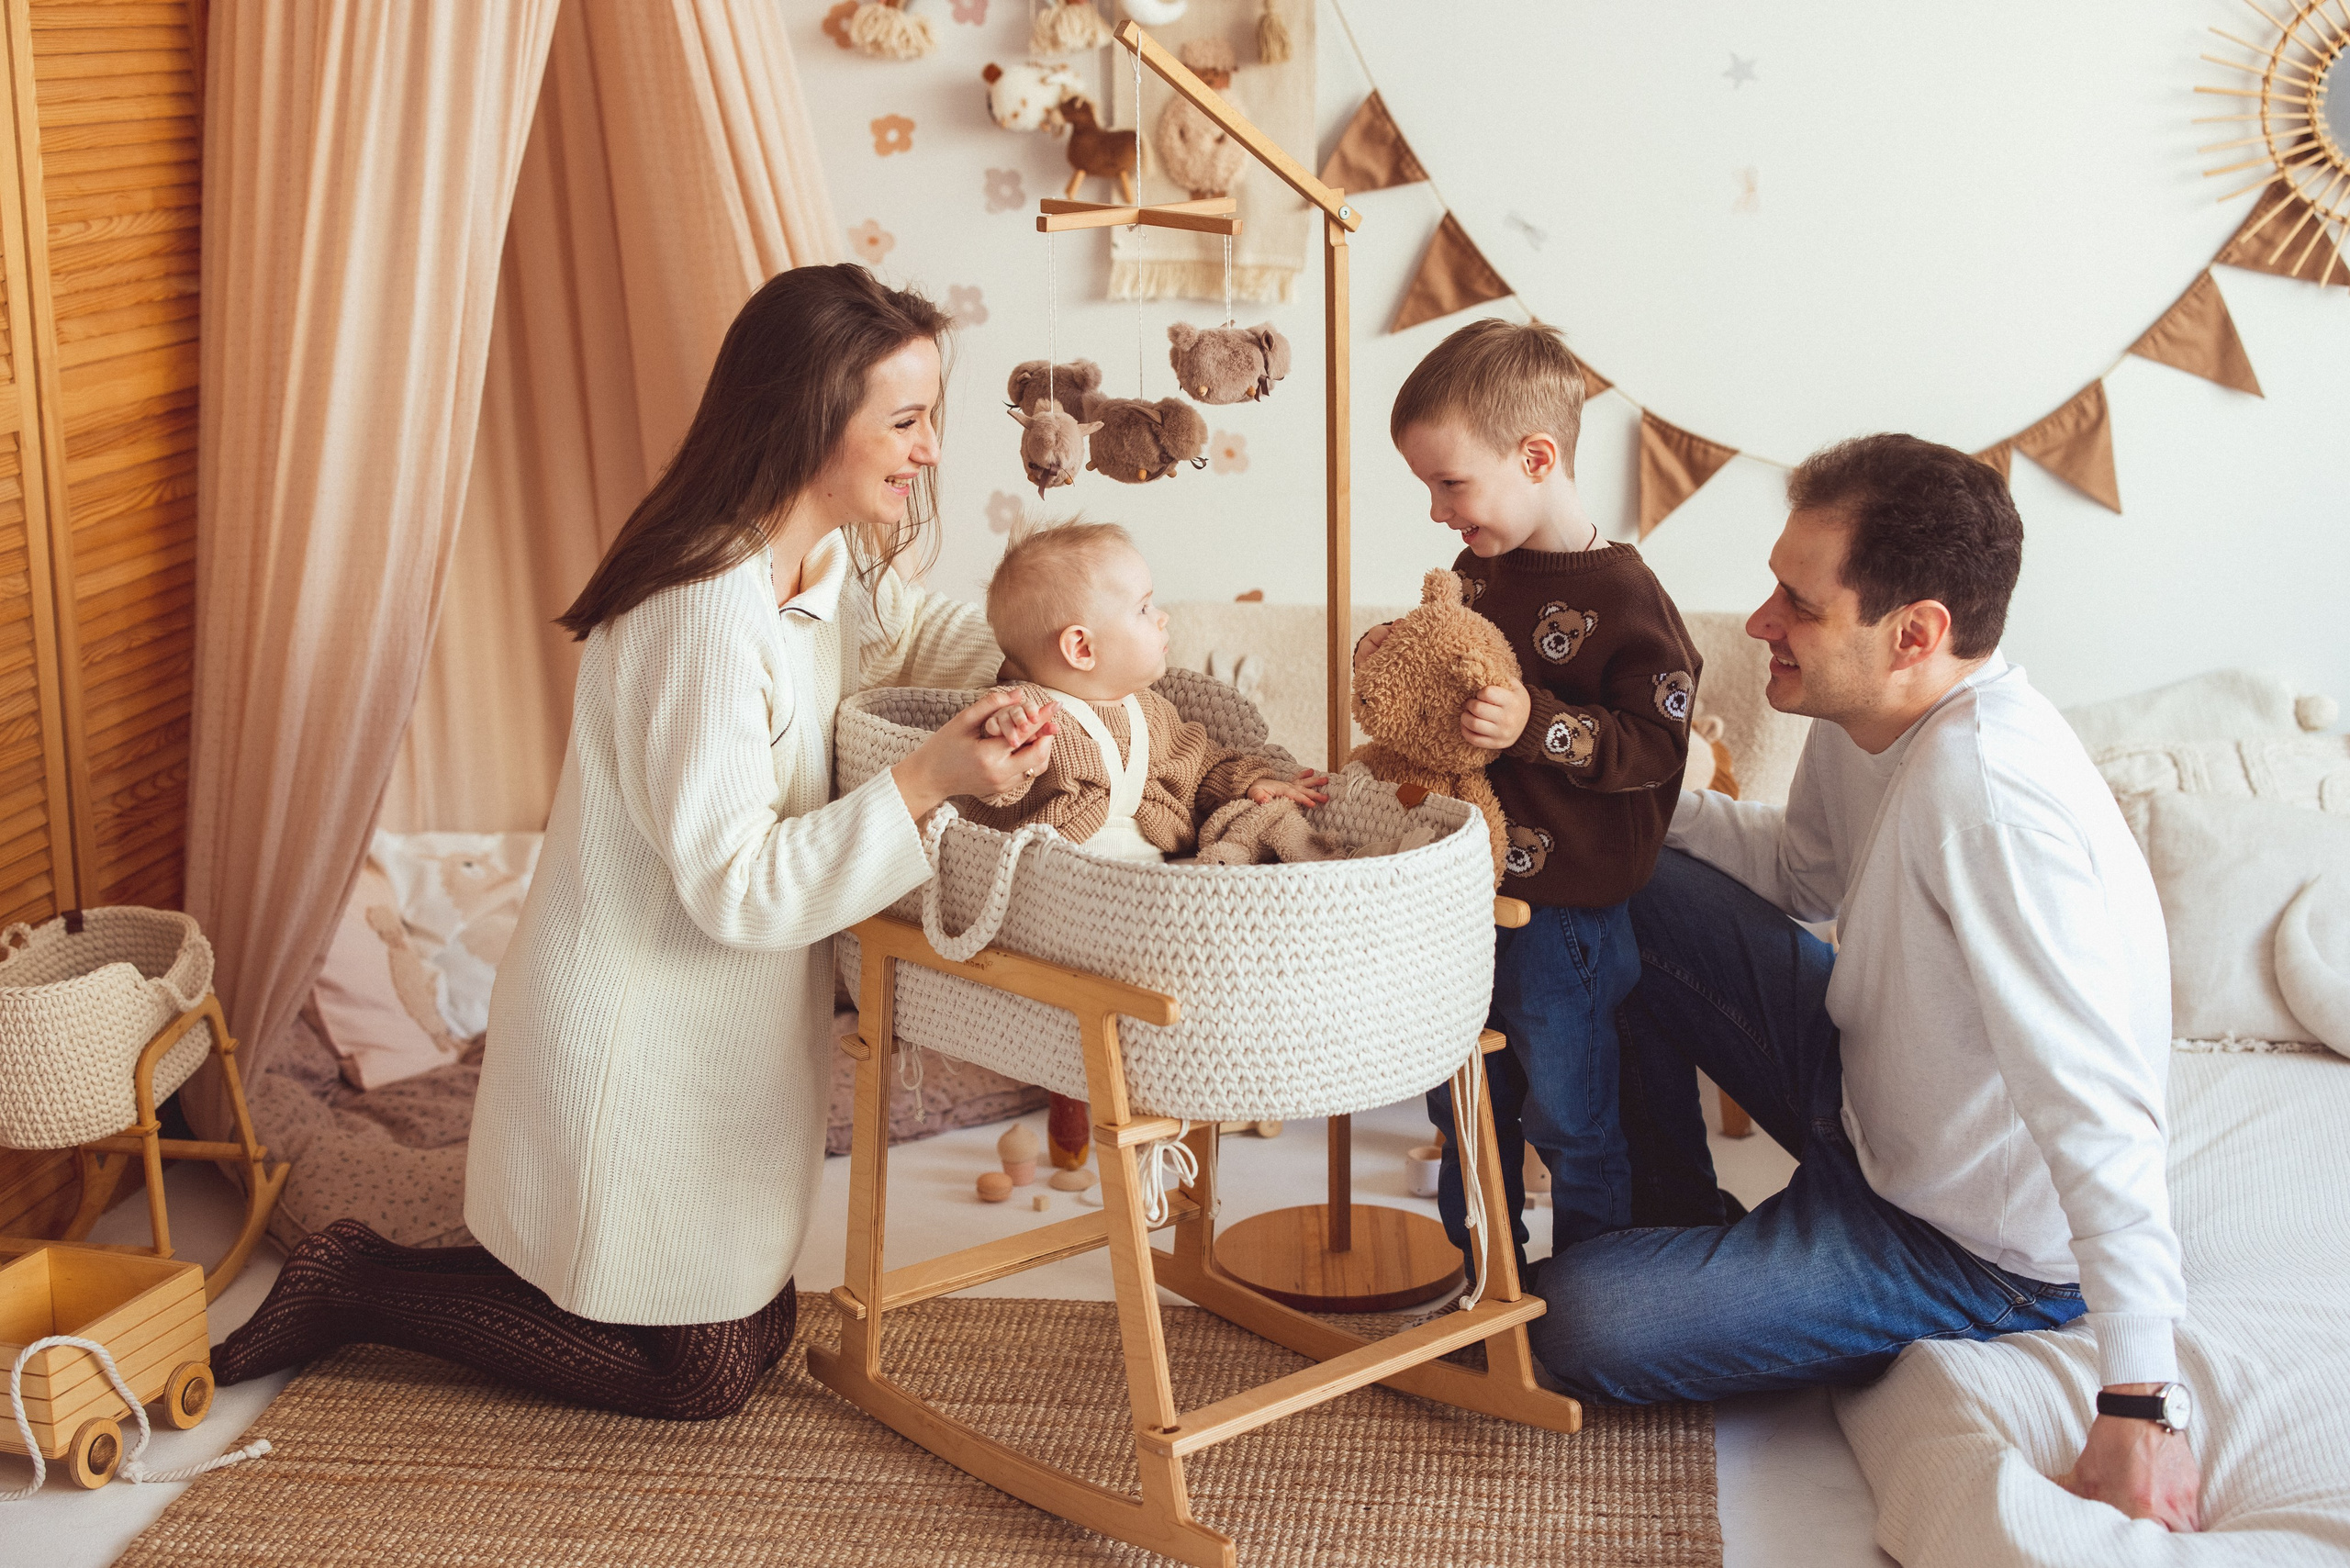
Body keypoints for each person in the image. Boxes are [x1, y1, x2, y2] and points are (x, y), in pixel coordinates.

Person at [216, 265, 1057, 1419]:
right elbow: (736, 885)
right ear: (812, 419)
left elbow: (919, 636)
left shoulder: (824, 558)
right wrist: (927, 781)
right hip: (633, 1036)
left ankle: (393, 1273)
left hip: (722, 1033)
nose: (928, 452)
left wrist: (1040, 666)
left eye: (930, 419)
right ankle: (357, 1281)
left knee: (756, 1326)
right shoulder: (699, 609)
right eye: (905, 423)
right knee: (704, 1376)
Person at [1532, 432, 2201, 1530]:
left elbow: (2098, 1105)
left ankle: (1690, 1271)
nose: (1759, 624)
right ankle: (1668, 1209)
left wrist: (2141, 1393)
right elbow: (1799, 874)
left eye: (1796, 602)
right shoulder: (1866, 716)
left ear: (1914, 634)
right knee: (1622, 881)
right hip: (1862, 1084)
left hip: (1963, 1245)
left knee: (1572, 1326)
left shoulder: (1992, 805)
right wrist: (1640, 798)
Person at [1359, 318, 1702, 1280]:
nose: (1435, 511)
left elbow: (1655, 745)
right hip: (1459, 902)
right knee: (1461, 1097)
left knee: (1570, 1111)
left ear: (1536, 456)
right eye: (1426, 486)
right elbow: (1446, 675)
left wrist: (1538, 724)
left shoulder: (1629, 596)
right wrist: (1386, 660)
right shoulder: (1477, 571)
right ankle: (1483, 1284)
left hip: (1568, 919)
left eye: (1449, 483)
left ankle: (1592, 1288)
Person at [965, 520, 1329, 863]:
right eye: (1143, 608)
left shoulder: (1152, 712)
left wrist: (1253, 783)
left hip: (1151, 883)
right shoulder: (1032, 714)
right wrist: (1003, 732)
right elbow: (992, 788)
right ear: (1082, 649)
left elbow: (1201, 772)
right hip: (1057, 881)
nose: (1162, 616)